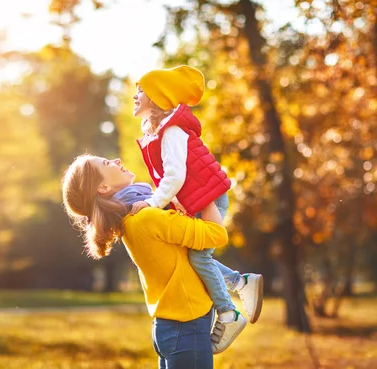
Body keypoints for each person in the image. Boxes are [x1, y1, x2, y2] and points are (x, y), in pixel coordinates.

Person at [130, 66, 263, 352]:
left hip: (209, 200)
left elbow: (175, 176)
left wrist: (154, 203)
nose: (134, 95)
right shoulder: (161, 131)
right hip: (199, 200)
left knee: (199, 259)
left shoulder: (172, 130)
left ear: (156, 98)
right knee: (194, 256)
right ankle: (242, 282)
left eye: (140, 90)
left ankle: (228, 315)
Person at [62, 154, 229, 368]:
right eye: (106, 163)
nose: (117, 160)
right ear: (102, 187)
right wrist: (205, 196)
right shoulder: (145, 218)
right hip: (187, 327)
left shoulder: (130, 220)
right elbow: (216, 234)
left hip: (169, 327)